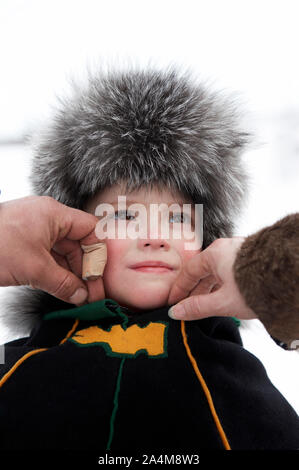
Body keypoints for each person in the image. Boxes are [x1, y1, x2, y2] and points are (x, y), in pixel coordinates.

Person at [0, 66, 298, 451]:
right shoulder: (22, 369)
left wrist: (273, 272)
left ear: (209, 242)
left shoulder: (231, 376)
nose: (156, 237)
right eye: (124, 215)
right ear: (66, 233)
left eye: (178, 218)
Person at [168, 212, 299, 347]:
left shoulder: (230, 357)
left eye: (178, 219)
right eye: (143, 220)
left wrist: (262, 274)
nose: (155, 239)